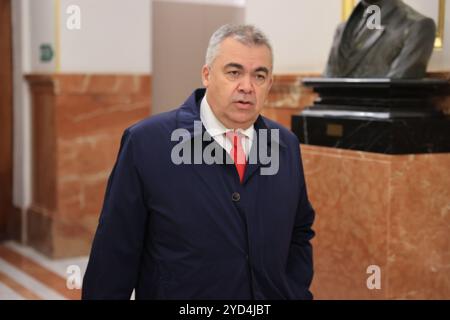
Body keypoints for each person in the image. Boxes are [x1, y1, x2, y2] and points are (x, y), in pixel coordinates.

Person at [82, 24, 315, 300]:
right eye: (234, 72)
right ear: (207, 75)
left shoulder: (284, 145)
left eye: (259, 76)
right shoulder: (147, 143)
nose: (247, 87)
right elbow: (113, 254)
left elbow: (299, 233)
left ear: (270, 84)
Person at [325, 0, 436, 78]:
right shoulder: (342, 30)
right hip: (335, 109)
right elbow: (328, 81)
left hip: (384, 108)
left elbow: (397, 86)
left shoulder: (417, 26)